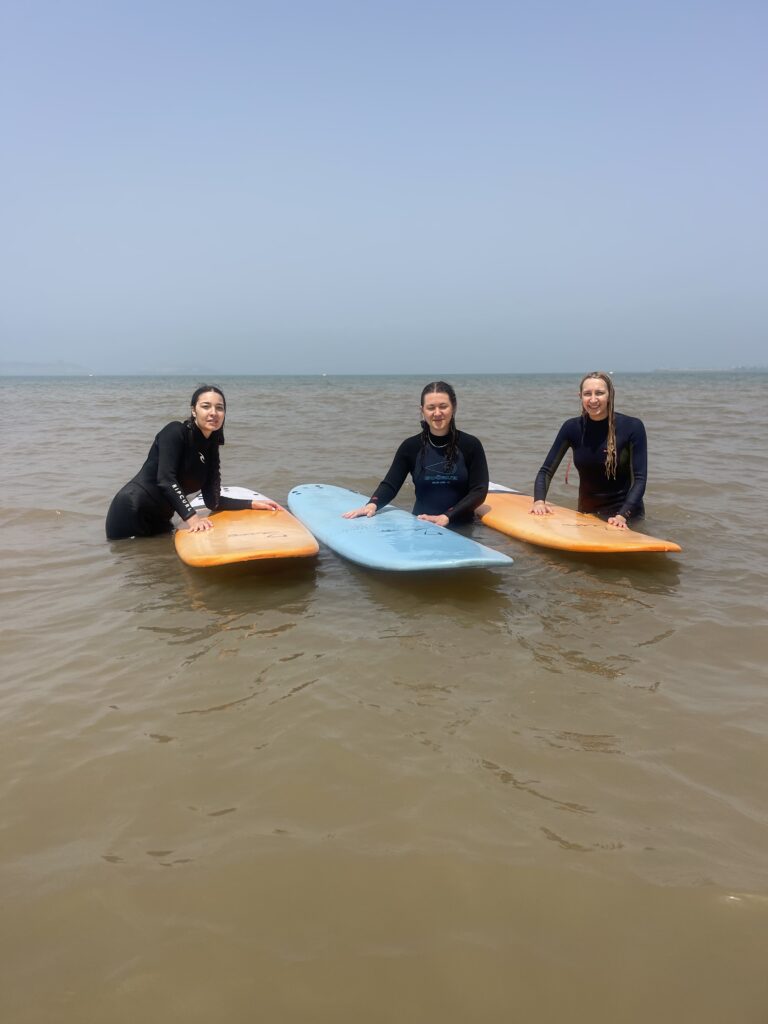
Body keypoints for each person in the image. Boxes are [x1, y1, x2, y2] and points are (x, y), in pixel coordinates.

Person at [105, 384, 280, 540]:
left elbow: (213, 501)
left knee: (160, 567)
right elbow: (166, 480)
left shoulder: (210, 448)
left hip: (162, 519)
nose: (213, 412)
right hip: (132, 511)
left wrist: (250, 504)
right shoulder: (174, 432)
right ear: (194, 410)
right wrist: (192, 517)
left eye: (219, 408)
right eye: (206, 406)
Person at [343, 381, 489, 527]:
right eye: (431, 408)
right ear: (422, 410)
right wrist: (372, 505)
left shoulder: (470, 445)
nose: (437, 413)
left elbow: (479, 491)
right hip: (421, 526)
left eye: (443, 406)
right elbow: (391, 484)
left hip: (461, 528)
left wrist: (447, 516)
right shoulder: (411, 447)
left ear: (454, 407)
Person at [531, 371, 647, 529]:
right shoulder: (572, 428)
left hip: (626, 517)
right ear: (580, 396)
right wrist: (539, 502)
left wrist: (621, 516)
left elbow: (639, 479)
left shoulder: (632, 427)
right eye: (587, 394)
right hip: (587, 516)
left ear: (611, 394)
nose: (593, 399)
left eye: (599, 393)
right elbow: (546, 471)